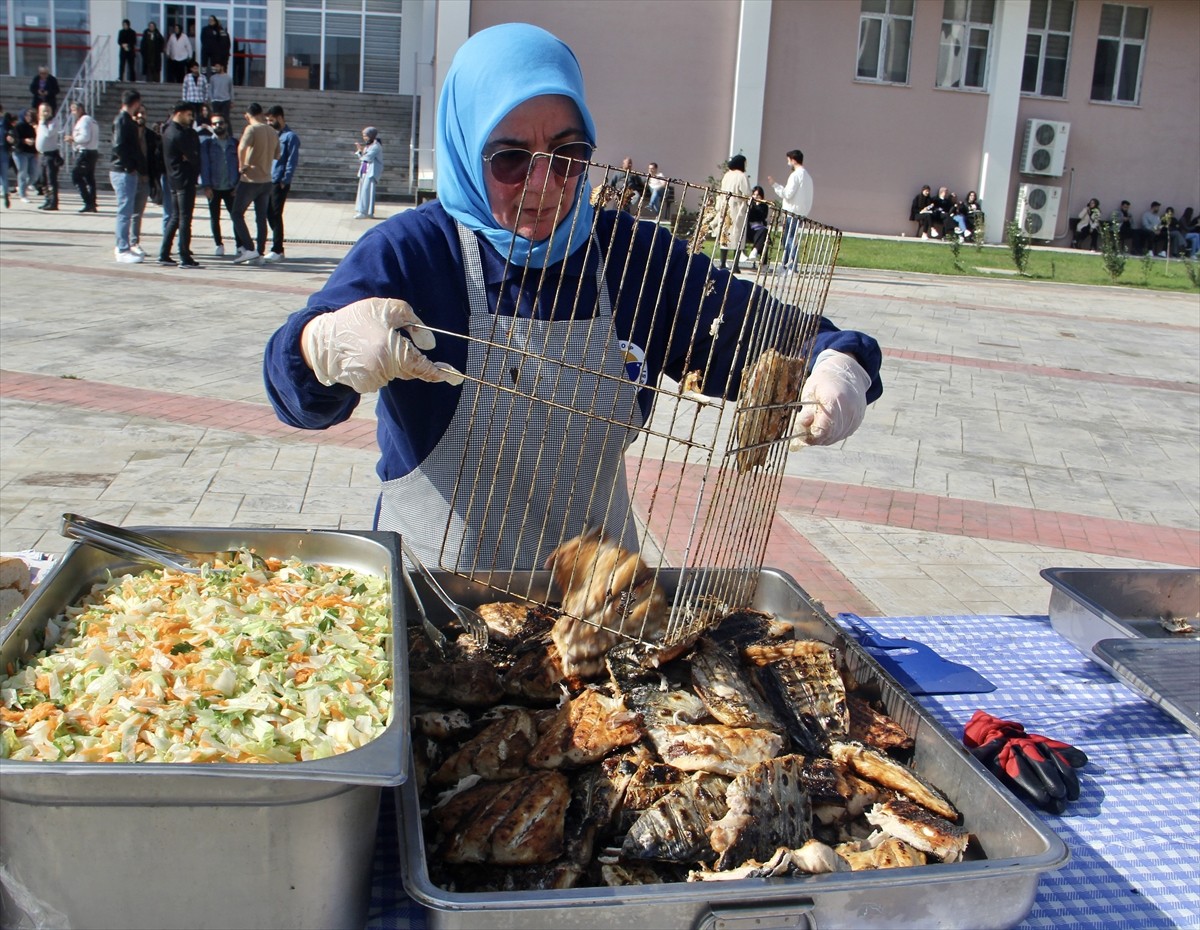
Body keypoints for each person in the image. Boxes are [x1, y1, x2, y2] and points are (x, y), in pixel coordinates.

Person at [262, 22, 882, 572]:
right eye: (509, 158)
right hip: (436, 600)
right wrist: (316, 347)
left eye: (568, 155)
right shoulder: (412, 253)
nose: (544, 184)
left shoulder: (630, 257)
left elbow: (765, 334)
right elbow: (298, 400)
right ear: (463, 146)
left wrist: (837, 363)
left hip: (599, 612)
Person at [230, 101, 279, 264]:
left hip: (251, 179)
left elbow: (241, 147)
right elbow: (277, 155)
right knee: (261, 217)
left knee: (236, 213)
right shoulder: (272, 131)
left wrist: (241, 165)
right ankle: (259, 252)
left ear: (247, 116)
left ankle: (250, 249)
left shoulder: (251, 129)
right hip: (266, 179)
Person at [158, 102, 202, 268]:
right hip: (184, 179)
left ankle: (164, 253)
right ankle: (184, 256)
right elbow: (194, 156)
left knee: (175, 217)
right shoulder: (178, 134)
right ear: (180, 113)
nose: (191, 119)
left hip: (174, 179)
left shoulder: (168, 130)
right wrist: (192, 156)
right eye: (189, 115)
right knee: (184, 219)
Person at [110, 90, 148, 263]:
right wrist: (129, 165)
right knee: (125, 210)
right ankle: (122, 248)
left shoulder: (125, 121)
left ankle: (123, 245)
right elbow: (119, 146)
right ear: (136, 103)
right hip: (123, 170)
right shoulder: (123, 121)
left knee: (127, 209)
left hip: (125, 169)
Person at [199, 113, 239, 256]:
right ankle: (218, 244)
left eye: (220, 123)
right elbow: (204, 166)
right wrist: (206, 186)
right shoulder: (207, 144)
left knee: (235, 216)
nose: (218, 126)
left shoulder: (234, 143)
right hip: (214, 187)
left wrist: (237, 185)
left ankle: (239, 244)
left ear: (226, 124)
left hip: (230, 186)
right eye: (215, 123)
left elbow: (240, 164)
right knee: (214, 217)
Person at [768, 149, 813, 270]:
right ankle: (786, 263)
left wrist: (774, 185)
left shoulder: (796, 175)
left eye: (788, 159)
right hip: (801, 212)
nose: (787, 162)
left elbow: (787, 194)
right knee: (789, 237)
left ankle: (791, 265)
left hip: (792, 212)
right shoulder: (807, 176)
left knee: (789, 238)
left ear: (793, 160)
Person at [265, 105, 300, 262]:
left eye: (271, 120)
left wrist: (286, 179)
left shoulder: (290, 137)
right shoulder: (272, 135)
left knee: (275, 213)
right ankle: (277, 243)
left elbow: (292, 160)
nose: (269, 123)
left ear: (280, 118)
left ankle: (277, 249)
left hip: (280, 181)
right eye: (267, 120)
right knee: (268, 213)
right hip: (268, 179)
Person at [711, 153, 750, 273]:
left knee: (725, 235)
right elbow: (747, 193)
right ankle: (735, 265)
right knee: (738, 236)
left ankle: (722, 262)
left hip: (725, 207)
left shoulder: (727, 175)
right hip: (737, 209)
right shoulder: (742, 176)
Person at [67, 100, 99, 213]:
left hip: (85, 152)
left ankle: (88, 201)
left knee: (76, 176)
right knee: (90, 178)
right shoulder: (91, 120)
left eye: (74, 110)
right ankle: (92, 202)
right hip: (92, 152)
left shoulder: (84, 120)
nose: (73, 113)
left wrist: (73, 139)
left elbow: (85, 137)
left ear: (80, 109)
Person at [34, 103, 61, 211]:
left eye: (47, 110)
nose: (45, 113)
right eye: (43, 111)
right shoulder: (41, 123)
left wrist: (43, 123)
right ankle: (47, 199)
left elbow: (48, 134)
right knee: (43, 179)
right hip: (42, 154)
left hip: (51, 154)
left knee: (51, 179)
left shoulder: (52, 122)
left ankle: (54, 202)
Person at [354, 126, 383, 219]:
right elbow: (364, 158)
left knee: (367, 191)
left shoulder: (376, 146)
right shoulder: (368, 146)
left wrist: (360, 152)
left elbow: (367, 158)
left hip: (371, 172)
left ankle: (364, 212)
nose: (364, 137)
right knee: (363, 191)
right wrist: (360, 151)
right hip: (365, 171)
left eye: (365, 135)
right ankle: (365, 211)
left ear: (371, 135)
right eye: (363, 135)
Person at [12, 107, 37, 203]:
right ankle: (23, 195)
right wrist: (24, 141)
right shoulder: (18, 126)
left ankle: (21, 187)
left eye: (30, 116)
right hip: (20, 152)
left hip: (32, 152)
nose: (29, 117)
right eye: (27, 115)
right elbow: (15, 140)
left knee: (34, 174)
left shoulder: (32, 126)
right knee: (23, 173)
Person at [746, 185, 771, 263]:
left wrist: (757, 206)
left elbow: (762, 216)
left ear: (761, 196)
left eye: (758, 195)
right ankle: (763, 263)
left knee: (763, 232)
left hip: (759, 230)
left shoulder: (764, 206)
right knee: (763, 236)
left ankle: (755, 251)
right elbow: (750, 217)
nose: (756, 197)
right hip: (749, 230)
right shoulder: (749, 204)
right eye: (754, 195)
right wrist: (754, 207)